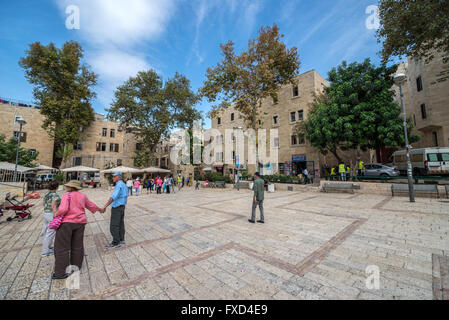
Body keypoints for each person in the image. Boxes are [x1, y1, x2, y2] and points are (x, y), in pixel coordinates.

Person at [52, 180, 101, 279]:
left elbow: (63, 209)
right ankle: (76, 266)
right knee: (77, 245)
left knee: (61, 247)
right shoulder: (83, 196)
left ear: (71, 187)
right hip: (80, 223)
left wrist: (55, 212)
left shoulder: (67, 195)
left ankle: (60, 272)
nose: (66, 188)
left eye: (67, 186)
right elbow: (91, 205)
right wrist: (100, 209)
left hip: (67, 223)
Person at [101, 172, 129, 249]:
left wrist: (105, 206)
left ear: (119, 177)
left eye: (114, 176)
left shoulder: (119, 185)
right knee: (120, 223)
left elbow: (113, 197)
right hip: (122, 206)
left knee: (114, 225)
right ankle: (121, 239)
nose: (113, 178)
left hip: (117, 207)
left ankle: (116, 242)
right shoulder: (123, 185)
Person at [41, 181, 61, 257]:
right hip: (51, 215)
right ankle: (45, 252)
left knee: (46, 232)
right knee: (50, 233)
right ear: (57, 187)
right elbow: (53, 206)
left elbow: (44, 204)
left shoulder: (46, 194)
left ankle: (47, 248)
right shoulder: (54, 195)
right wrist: (55, 215)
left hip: (46, 213)